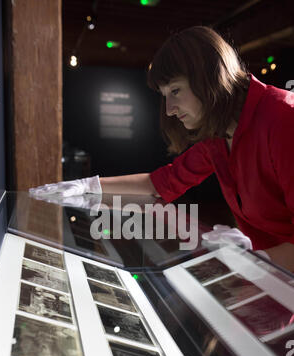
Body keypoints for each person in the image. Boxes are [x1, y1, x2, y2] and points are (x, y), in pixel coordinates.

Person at [30, 26, 294, 271]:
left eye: (176, 91)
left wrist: (257, 261)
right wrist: (89, 186)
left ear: (209, 78)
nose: (169, 109)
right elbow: (163, 182)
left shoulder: (283, 120)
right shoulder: (219, 134)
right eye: (165, 95)